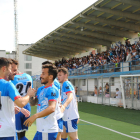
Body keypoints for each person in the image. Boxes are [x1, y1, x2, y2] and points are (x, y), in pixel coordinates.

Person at [0, 57, 36, 140]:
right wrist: (28, 95)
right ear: (4, 69)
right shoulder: (7, 85)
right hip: (6, 132)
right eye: (10, 69)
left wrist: (12, 107)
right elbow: (21, 103)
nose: (13, 72)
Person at [24, 64, 59, 140]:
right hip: (41, 129)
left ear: (50, 77)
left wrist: (35, 116)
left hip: (48, 130)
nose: (41, 76)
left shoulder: (52, 89)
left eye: (43, 73)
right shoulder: (40, 89)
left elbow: (52, 108)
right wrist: (30, 95)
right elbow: (33, 103)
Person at [9, 59, 33, 140]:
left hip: (16, 106)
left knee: (16, 135)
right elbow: (31, 92)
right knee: (22, 135)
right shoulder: (28, 76)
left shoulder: (11, 79)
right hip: (27, 106)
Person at [42, 61, 63, 140]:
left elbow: (54, 97)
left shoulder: (54, 83)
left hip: (55, 115)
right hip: (52, 114)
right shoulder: (47, 83)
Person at [57, 67, 79, 140]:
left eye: (60, 75)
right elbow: (75, 99)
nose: (58, 77)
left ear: (65, 75)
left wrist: (64, 106)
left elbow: (71, 96)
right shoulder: (64, 85)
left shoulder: (66, 83)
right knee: (63, 135)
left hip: (70, 116)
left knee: (73, 137)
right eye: (58, 75)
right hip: (66, 116)